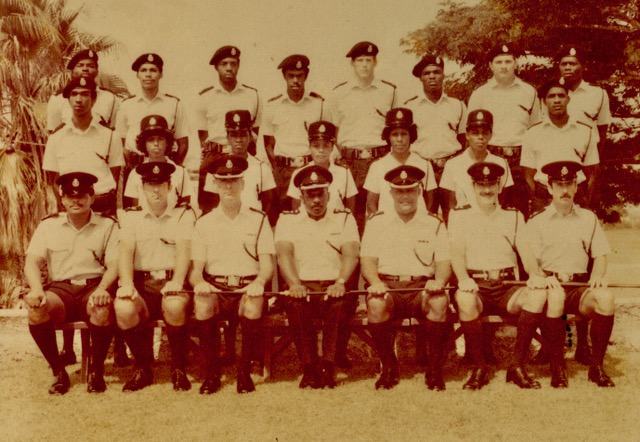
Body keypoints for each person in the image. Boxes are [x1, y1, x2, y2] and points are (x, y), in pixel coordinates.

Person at [448, 162, 549, 390]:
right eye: (481, 185)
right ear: (473, 186)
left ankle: (517, 366)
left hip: (507, 286)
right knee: (464, 299)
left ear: (499, 186)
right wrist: (463, 279)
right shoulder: (459, 215)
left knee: (537, 294)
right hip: (476, 285)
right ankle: (479, 367)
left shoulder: (513, 216)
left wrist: (535, 273)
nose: (486, 190)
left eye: (491, 184)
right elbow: (456, 253)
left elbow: (526, 252)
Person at [23, 172, 119, 394]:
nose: (76, 201)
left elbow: (114, 264)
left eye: (81, 196)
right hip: (61, 289)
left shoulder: (107, 225)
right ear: (63, 199)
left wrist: (103, 288)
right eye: (70, 196)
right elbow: (32, 262)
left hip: (93, 287)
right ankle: (59, 372)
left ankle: (96, 371)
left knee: (102, 308)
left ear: (91, 197)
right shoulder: (49, 225)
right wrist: (37, 289)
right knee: (36, 310)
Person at [525, 161, 616, 388]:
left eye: (569, 184)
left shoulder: (588, 218)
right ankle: (558, 367)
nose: (564, 190)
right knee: (556, 298)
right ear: (550, 188)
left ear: (576, 186)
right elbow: (530, 260)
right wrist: (542, 277)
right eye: (559, 184)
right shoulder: (537, 220)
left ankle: (596, 367)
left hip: (578, 287)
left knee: (606, 298)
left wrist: (598, 275)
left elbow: (601, 254)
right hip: (551, 286)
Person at [361, 165, 451, 390]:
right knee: (375, 305)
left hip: (421, 287)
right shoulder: (377, 222)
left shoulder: (434, 223)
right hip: (388, 286)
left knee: (439, 302)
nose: (405, 197)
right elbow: (367, 261)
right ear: (391, 193)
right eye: (399, 191)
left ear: (419, 191)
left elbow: (444, 262)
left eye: (410, 190)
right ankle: (389, 366)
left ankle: (434, 368)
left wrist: (439, 281)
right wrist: (375, 282)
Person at [190, 154, 274, 394]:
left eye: (234, 180)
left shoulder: (259, 219)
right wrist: (200, 283)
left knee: (254, 304)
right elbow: (196, 271)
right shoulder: (204, 223)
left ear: (243, 183)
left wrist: (259, 282)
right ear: (215, 185)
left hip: (247, 288)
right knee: (202, 303)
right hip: (216, 289)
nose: (228, 186)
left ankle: (243, 372)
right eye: (223, 181)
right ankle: (212, 373)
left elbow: (267, 265)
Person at [275, 165, 360, 388]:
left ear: (328, 194)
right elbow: (284, 254)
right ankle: (309, 367)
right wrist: (294, 284)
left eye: (320, 194)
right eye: (310, 195)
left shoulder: (344, 218)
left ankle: (328, 366)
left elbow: (351, 254)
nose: (316, 200)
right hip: (302, 286)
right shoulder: (287, 219)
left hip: (334, 285)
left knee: (339, 304)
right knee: (295, 304)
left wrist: (340, 282)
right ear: (301, 197)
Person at [115, 162, 196, 392]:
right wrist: (127, 284)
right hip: (142, 283)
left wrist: (177, 281)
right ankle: (143, 368)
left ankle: (178, 368)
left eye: (161, 185)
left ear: (170, 186)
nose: (156, 190)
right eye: (150, 185)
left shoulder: (183, 214)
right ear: (142, 188)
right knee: (124, 308)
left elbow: (184, 251)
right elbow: (126, 251)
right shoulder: (130, 216)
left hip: (171, 281)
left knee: (174, 305)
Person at [329, 41, 398, 232]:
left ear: (375, 62)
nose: (365, 65)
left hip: (380, 158)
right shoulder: (339, 93)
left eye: (369, 60)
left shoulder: (389, 91)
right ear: (352, 63)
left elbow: (396, 127)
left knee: (383, 209)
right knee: (352, 213)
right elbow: (334, 129)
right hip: (350, 161)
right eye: (360, 60)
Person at [467, 43, 541, 217]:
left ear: (515, 63)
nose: (504, 66)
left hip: (521, 159)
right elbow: (471, 133)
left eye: (508, 61)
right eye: (499, 62)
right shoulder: (480, 93)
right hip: (491, 155)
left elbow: (536, 130)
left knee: (519, 210)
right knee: (489, 206)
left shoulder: (529, 91)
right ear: (491, 65)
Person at [43, 76, 123, 216]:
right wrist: (65, 204)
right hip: (71, 206)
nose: (79, 99)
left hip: (102, 206)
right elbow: (54, 179)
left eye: (85, 94)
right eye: (74, 94)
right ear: (68, 100)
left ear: (94, 99)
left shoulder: (110, 136)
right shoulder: (56, 137)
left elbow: (114, 176)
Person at [195, 45, 261, 213]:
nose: (229, 68)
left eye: (233, 63)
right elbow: (203, 135)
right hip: (215, 156)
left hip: (243, 156)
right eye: (224, 64)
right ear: (216, 67)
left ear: (238, 65)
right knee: (209, 209)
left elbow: (255, 132)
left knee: (246, 205)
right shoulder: (205, 97)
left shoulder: (252, 95)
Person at [261, 54, 328, 214]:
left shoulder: (319, 105)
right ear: (284, 76)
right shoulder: (272, 106)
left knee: (310, 214)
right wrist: (279, 168)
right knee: (281, 217)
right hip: (283, 172)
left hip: (309, 168)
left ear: (306, 76)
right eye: (291, 76)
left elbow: (327, 140)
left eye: (300, 76)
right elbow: (268, 144)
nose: (295, 80)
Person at [521, 78, 599, 214]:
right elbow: (528, 174)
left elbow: (591, 172)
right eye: (551, 96)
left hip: (576, 196)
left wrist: (583, 198)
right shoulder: (532, 133)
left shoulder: (585, 131)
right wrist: (540, 197)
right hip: (543, 197)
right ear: (544, 101)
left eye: (561, 96)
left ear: (568, 99)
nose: (557, 100)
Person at [404, 54, 466, 214]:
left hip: (450, 168)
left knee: (454, 215)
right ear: (420, 78)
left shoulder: (457, 105)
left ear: (443, 75)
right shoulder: (410, 107)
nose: (432, 76)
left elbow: (463, 139)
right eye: (427, 73)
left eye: (437, 72)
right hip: (422, 169)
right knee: (424, 215)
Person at [116, 53, 189, 172]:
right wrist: (129, 165)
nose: (148, 74)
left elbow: (183, 143)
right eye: (143, 70)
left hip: (165, 166)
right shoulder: (126, 105)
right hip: (134, 166)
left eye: (153, 70)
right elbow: (120, 143)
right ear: (137, 75)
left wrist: (175, 168)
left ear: (161, 74)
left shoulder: (174, 104)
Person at [203, 110, 276, 223]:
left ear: (250, 137)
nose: (238, 140)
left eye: (243, 135)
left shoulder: (262, 168)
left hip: (253, 225)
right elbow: (210, 206)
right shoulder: (216, 169)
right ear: (227, 137)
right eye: (233, 135)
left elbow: (269, 206)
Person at [440, 109, 512, 221]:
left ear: (491, 135)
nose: (480, 137)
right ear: (467, 135)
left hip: (492, 221)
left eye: (485, 133)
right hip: (463, 222)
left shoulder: (501, 163)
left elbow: (503, 202)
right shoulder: (453, 164)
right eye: (475, 133)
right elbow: (449, 206)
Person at [364, 107, 437, 216]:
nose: (399, 139)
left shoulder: (424, 164)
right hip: (387, 223)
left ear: (411, 135)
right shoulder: (377, 166)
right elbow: (371, 203)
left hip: (417, 223)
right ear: (388, 137)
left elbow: (430, 201)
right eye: (394, 134)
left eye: (404, 134)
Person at [287, 120, 357, 213]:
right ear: (309, 147)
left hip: (337, 221)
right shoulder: (299, 173)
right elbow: (296, 207)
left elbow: (350, 206)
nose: (321, 150)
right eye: (316, 146)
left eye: (326, 146)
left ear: (332, 147)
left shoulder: (344, 172)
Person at [123, 115, 192, 208]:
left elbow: (185, 209)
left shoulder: (180, 172)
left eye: (160, 139)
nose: (156, 143)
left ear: (167, 142)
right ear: (144, 144)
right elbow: (135, 210)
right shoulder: (135, 173)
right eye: (151, 140)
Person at [556, 46, 611, 156]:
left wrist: (595, 158)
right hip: (557, 154)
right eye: (564, 64)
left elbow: (602, 129)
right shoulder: (550, 94)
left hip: (587, 155)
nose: (567, 67)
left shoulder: (598, 93)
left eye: (572, 64)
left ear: (582, 67)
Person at [47, 49, 119, 132]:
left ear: (97, 71)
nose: (85, 69)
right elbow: (52, 131)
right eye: (80, 65)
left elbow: (114, 131)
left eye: (91, 66)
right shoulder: (58, 98)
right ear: (72, 72)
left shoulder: (109, 97)